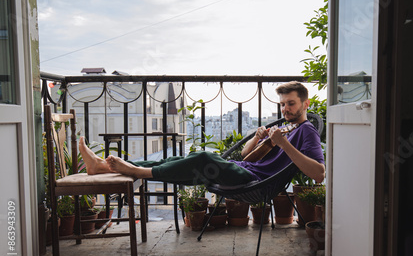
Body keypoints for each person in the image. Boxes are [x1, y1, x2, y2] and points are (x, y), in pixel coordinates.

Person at [80, 81, 325, 186]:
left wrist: (283, 145)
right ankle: (102, 167)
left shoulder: (307, 131)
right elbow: (244, 156)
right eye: (282, 104)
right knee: (175, 160)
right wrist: (258, 139)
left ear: (305, 104)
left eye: (291, 103)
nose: (285, 109)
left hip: (255, 181)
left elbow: (318, 174)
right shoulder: (285, 128)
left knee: (204, 159)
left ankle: (136, 171)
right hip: (244, 169)